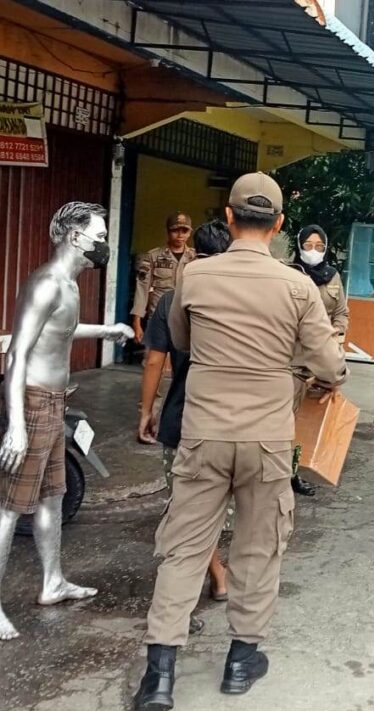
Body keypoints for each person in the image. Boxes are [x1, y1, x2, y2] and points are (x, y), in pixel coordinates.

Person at [133, 173, 347, 711]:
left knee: (184, 549)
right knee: (258, 546)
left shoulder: (195, 276)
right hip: (267, 439)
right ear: (279, 225)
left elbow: (181, 341)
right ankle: (239, 662)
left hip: (203, 432)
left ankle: (159, 675)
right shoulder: (298, 287)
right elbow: (331, 366)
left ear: (228, 218)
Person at [0, 202, 134, 641]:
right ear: (75, 237)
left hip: (53, 403)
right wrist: (17, 426)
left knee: (52, 498)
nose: (103, 245)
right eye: (100, 237)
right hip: (30, 402)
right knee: (9, 507)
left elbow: (61, 329)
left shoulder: (69, 284)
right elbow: (16, 354)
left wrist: (107, 330)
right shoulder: (47, 283)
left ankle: (52, 582)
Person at [138, 220, 233, 616]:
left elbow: (154, 361)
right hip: (231, 421)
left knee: (188, 506)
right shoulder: (242, 300)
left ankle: (209, 577)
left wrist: (146, 411)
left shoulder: (173, 300)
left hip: (182, 418)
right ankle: (222, 574)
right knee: (220, 505)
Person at [289, 224, 350, 496]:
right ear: (299, 245)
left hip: (323, 362)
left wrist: (336, 336)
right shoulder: (289, 273)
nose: (313, 251)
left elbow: (342, 313)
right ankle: (283, 474)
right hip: (292, 362)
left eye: (319, 246)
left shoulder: (332, 276)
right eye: (308, 245)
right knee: (287, 420)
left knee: (311, 422)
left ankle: (298, 472)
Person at [131, 212, 196, 343]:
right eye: (175, 230)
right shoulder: (153, 256)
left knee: (182, 355)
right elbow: (142, 289)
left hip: (186, 319)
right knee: (155, 354)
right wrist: (136, 322)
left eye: (184, 231)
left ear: (190, 233)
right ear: (168, 231)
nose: (180, 235)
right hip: (158, 317)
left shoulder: (196, 257)